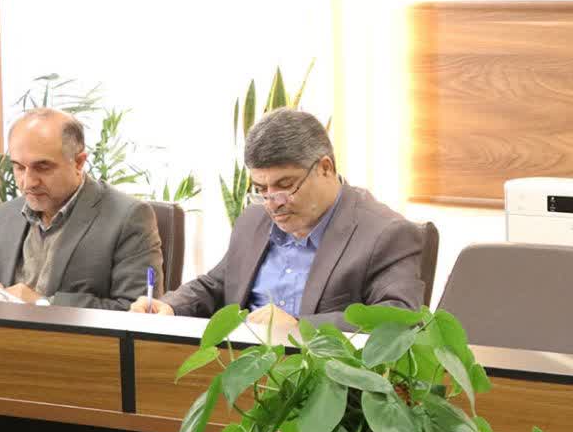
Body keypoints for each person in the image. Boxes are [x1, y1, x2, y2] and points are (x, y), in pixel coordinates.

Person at [131, 108, 424, 327]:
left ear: (325, 168)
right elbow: (216, 285)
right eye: (261, 189)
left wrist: (299, 327)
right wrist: (171, 306)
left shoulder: (386, 234)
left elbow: (399, 318)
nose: (273, 204)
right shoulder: (253, 219)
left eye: (285, 186)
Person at [0, 108, 162, 309]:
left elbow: (139, 310)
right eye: (19, 167)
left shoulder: (129, 217)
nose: (28, 182)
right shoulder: (4, 215)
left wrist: (43, 304)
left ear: (79, 162)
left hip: (73, 332)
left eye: (42, 167)